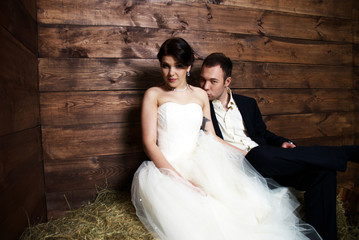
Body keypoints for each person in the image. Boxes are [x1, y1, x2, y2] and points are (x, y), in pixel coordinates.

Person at [131, 38, 323, 240]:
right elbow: (149, 144)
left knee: (243, 210)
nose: (171, 73)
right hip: (166, 168)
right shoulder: (153, 94)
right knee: (202, 218)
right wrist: (181, 181)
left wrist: (249, 154)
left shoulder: (200, 95)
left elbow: (211, 136)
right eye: (165, 66)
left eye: (178, 66)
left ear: (188, 67)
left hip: (200, 164)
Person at [199, 52, 359, 240]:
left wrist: (282, 142)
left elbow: (264, 134)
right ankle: (343, 152)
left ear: (227, 82)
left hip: (268, 161)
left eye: (213, 81)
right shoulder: (199, 106)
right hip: (238, 167)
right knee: (257, 154)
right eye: (202, 80)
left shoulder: (247, 103)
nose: (205, 87)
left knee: (323, 174)